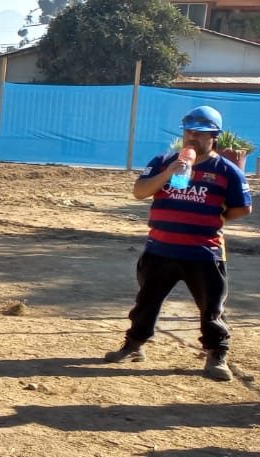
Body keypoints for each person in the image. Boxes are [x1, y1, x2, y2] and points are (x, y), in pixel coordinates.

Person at [105, 104, 251, 381]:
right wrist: (169, 173)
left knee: (211, 307)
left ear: (214, 136)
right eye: (189, 132)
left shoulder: (227, 170)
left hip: (204, 252)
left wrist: (212, 219)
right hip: (160, 248)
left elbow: (243, 208)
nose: (192, 138)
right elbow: (139, 192)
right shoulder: (163, 161)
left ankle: (217, 355)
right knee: (146, 302)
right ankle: (135, 345)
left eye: (201, 133)